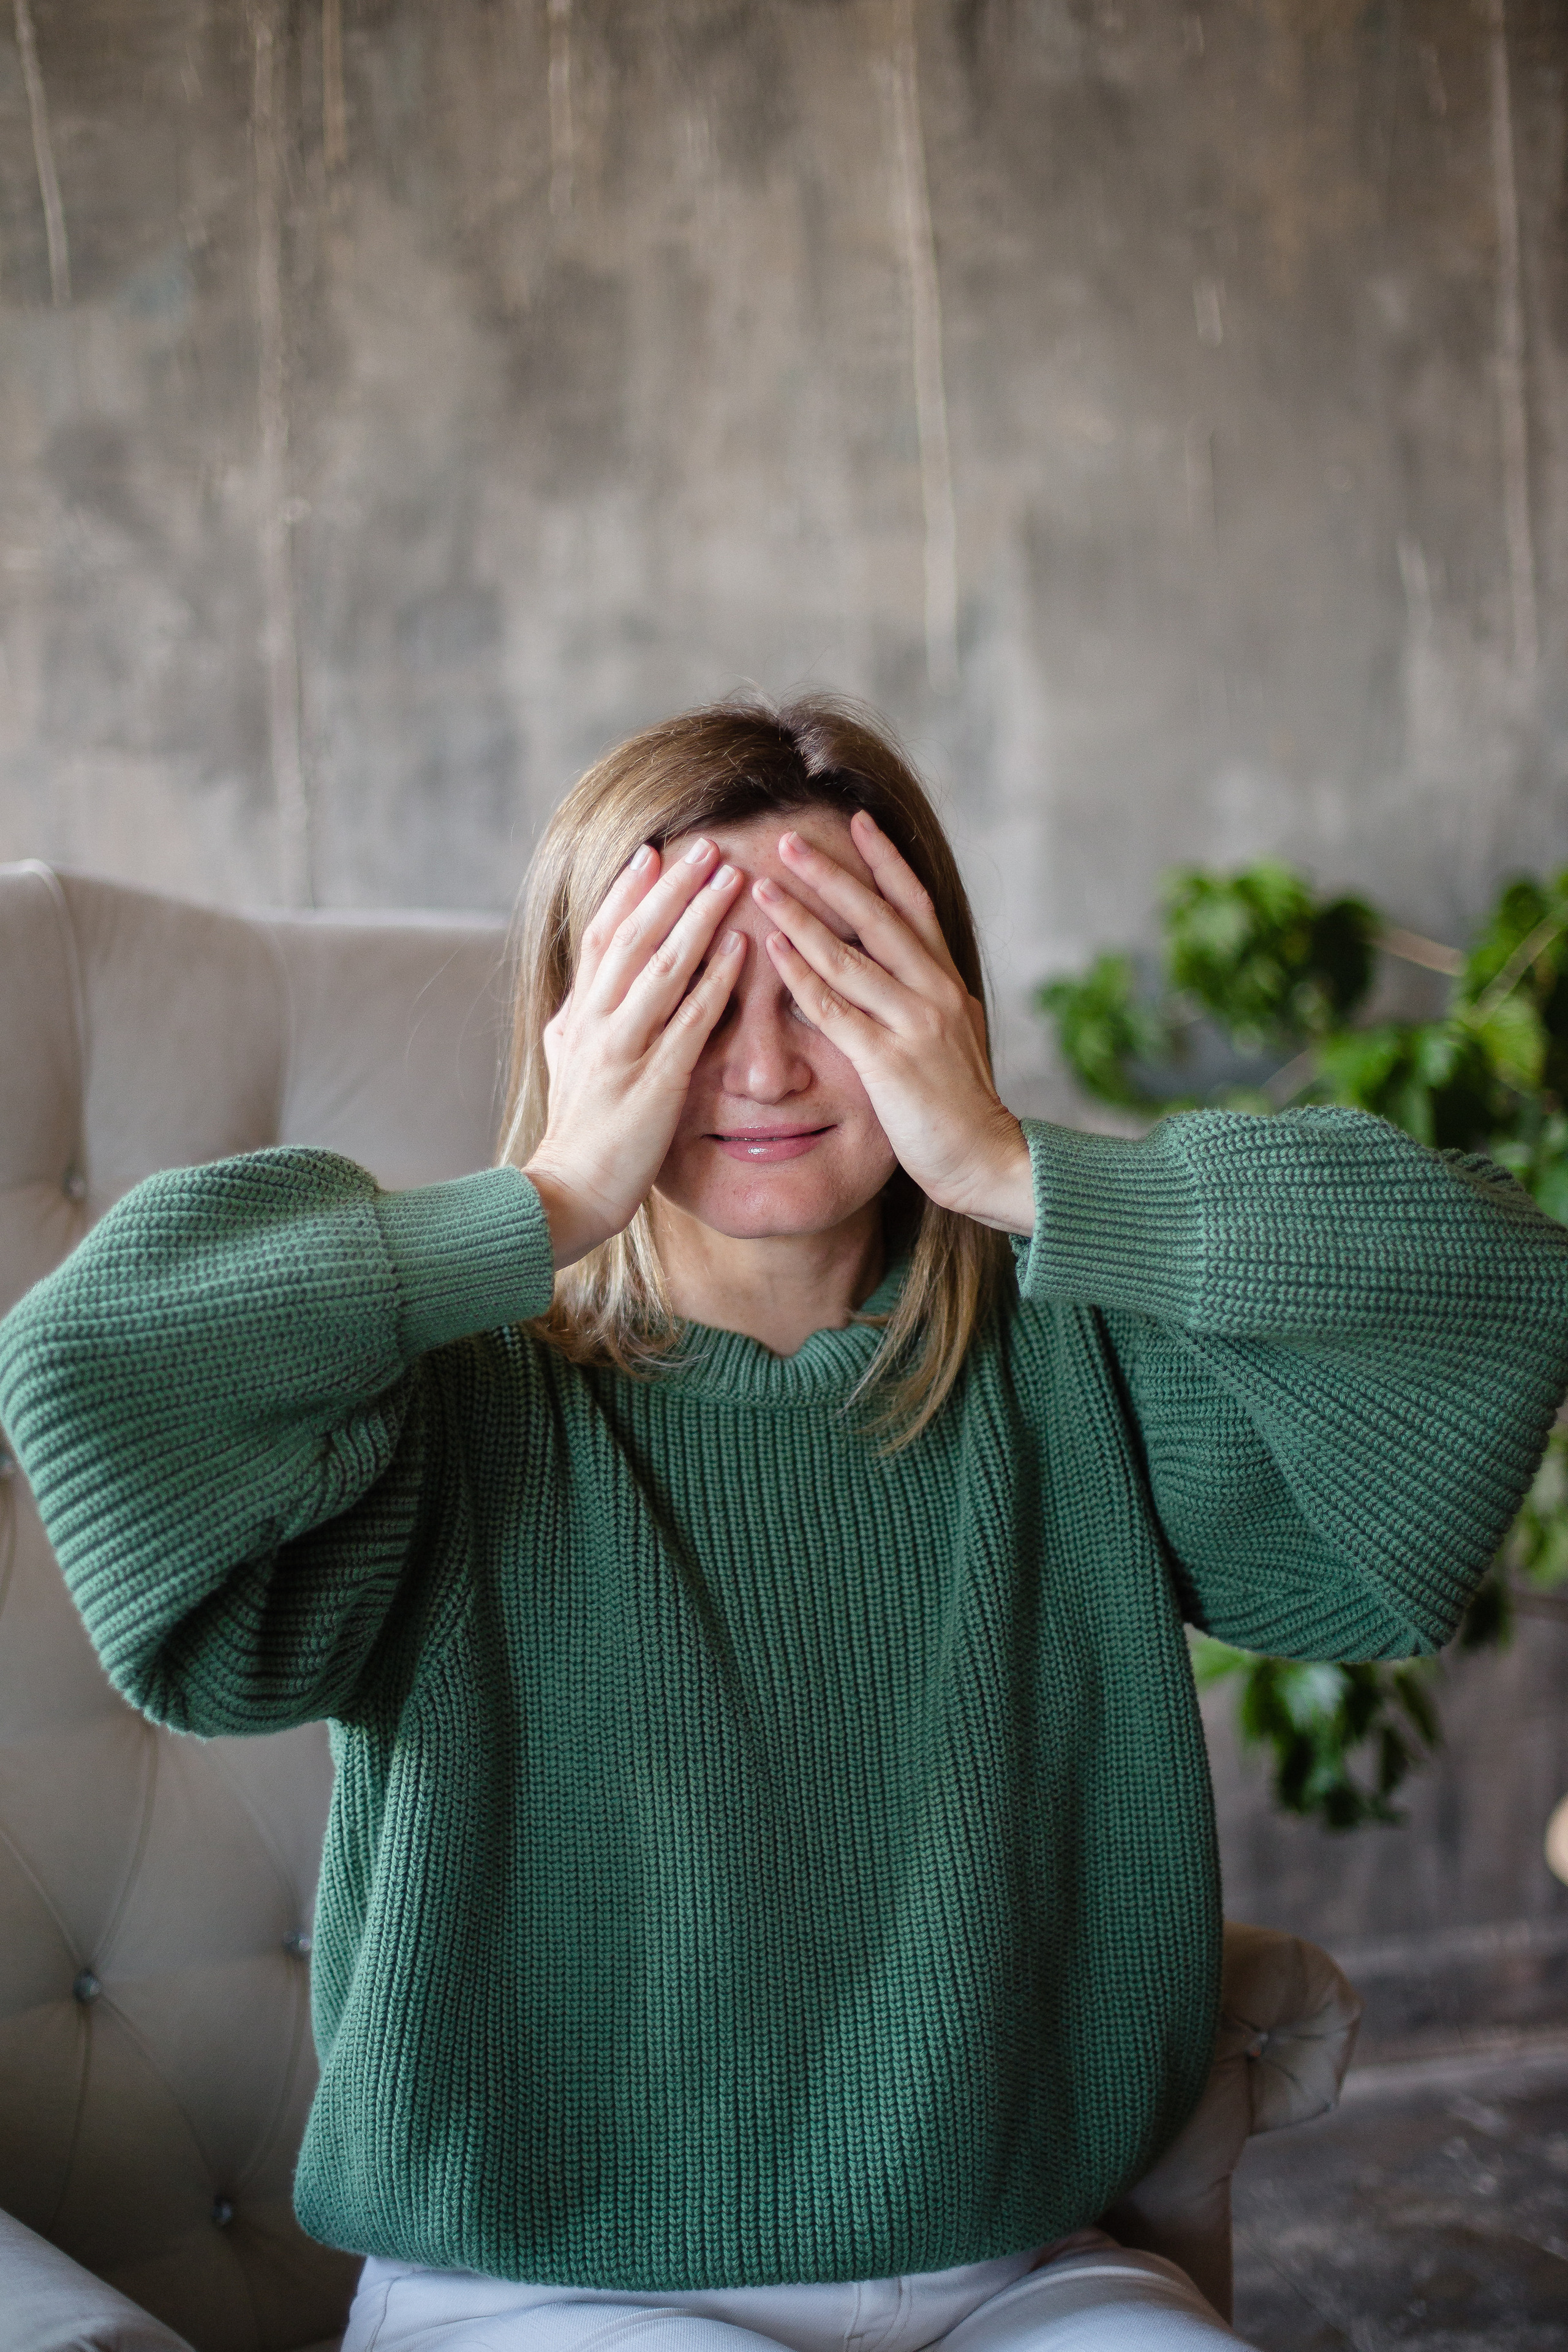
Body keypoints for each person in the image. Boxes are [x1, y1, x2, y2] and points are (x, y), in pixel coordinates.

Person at [2, 696, 1566, 2352]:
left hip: (1016, 2263)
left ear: (940, 1003)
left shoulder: (1084, 1355)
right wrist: (551, 1198)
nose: (762, 1069)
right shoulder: (441, 1391)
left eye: (829, 984)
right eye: (689, 994)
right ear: (579, 1025)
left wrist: (1017, 1165)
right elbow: (90, 1366)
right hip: (547, 2279)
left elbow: (1500, 1294)